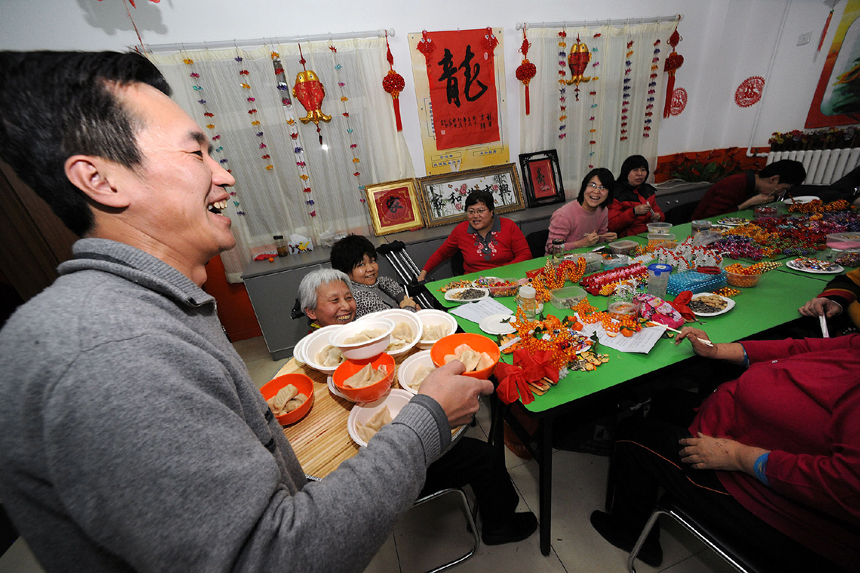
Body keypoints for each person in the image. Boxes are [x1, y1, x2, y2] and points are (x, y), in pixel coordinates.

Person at [0, 50, 498, 572]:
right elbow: (272, 555)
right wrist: (428, 419)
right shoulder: (113, 353)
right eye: (196, 154)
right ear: (100, 180)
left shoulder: (152, 309)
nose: (226, 176)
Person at [299, 268, 538, 546]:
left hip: (387, 446)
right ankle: (500, 526)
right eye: (334, 301)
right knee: (486, 456)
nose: (345, 306)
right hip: (381, 470)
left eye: (348, 297)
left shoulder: (362, 340)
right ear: (311, 312)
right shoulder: (316, 362)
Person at [590, 327, 860, 571]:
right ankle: (654, 485)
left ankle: (631, 535)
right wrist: (718, 350)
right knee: (666, 402)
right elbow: (807, 350)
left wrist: (740, 457)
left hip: (771, 492)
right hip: (747, 427)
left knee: (632, 437)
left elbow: (845, 486)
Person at [416, 190, 531, 281]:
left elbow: (525, 255)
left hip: (506, 280)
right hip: (474, 284)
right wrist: (424, 272)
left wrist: (501, 273)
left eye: (480, 211)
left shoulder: (508, 226)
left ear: (491, 212)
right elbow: (442, 254)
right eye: (471, 211)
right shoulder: (461, 231)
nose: (475, 216)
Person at [330, 235, 419, 317]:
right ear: (344, 271)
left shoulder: (368, 284)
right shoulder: (360, 299)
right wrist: (409, 307)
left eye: (372, 261)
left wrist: (404, 299)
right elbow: (397, 324)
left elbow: (386, 281)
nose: (370, 268)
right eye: (361, 265)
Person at [690, 159, 806, 220]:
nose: (780, 193)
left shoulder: (754, 185)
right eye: (783, 188)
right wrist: (749, 203)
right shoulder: (734, 184)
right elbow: (713, 217)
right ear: (774, 179)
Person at [544, 167, 618, 253]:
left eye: (603, 187)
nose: (596, 191)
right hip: (561, 263)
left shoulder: (603, 210)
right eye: (592, 185)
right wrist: (582, 243)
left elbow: (600, 241)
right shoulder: (563, 215)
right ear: (584, 187)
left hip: (589, 259)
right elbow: (552, 248)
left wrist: (607, 238)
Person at [608, 155, 666, 237]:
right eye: (635, 170)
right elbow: (612, 225)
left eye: (643, 170)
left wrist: (658, 217)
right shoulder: (616, 193)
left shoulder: (647, 190)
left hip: (650, 235)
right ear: (626, 172)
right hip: (627, 239)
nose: (640, 174)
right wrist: (633, 212)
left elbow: (658, 212)